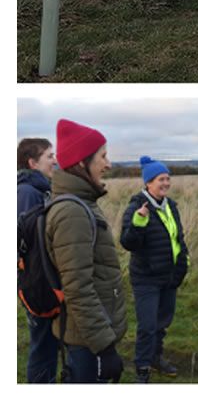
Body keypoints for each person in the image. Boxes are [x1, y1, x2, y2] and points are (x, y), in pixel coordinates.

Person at [44, 119, 127, 384]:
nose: (109, 164)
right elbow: (77, 288)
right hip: (86, 341)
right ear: (81, 162)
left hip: (88, 335)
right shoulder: (72, 212)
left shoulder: (83, 203)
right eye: (103, 156)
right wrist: (105, 347)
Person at [120, 156, 189, 383]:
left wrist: (183, 262)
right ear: (148, 182)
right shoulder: (135, 208)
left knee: (161, 324)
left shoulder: (171, 206)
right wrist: (139, 221)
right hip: (146, 279)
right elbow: (128, 242)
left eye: (168, 178)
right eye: (161, 179)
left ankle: (156, 358)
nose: (166, 183)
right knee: (147, 327)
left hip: (168, 277)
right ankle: (142, 368)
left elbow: (178, 237)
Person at [18, 138, 60, 383]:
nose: (55, 160)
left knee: (48, 343)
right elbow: (28, 244)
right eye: (49, 156)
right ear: (32, 162)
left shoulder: (40, 189)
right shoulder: (27, 193)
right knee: (42, 347)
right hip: (36, 282)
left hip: (44, 278)